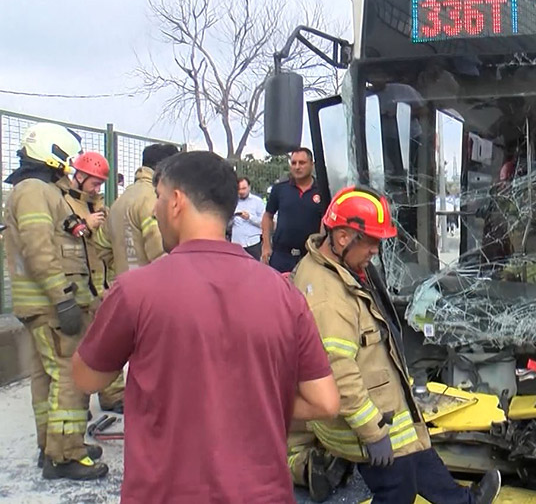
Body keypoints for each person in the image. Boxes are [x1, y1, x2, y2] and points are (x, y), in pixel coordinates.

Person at [72, 150, 340, 503]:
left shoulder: (136, 291)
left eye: (159, 198)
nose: (154, 210)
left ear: (176, 201)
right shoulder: (284, 294)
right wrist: (252, 400)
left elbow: (86, 379)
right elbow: (325, 402)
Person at [289, 185, 501, 504]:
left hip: (386, 405)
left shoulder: (339, 266)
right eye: (372, 241)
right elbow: (341, 377)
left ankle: (462, 502)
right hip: (368, 421)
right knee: (397, 489)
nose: (376, 249)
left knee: (418, 452)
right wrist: (374, 434)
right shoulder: (328, 300)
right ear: (344, 237)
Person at [2, 123, 108, 480]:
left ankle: (51, 447)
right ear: (54, 152)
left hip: (42, 305)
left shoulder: (37, 189)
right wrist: (62, 299)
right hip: (52, 305)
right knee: (67, 375)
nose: (69, 164)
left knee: (45, 378)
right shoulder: (33, 191)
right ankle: (66, 456)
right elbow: (39, 247)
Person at [62, 152, 126, 415]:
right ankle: (79, 403)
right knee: (78, 348)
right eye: (94, 183)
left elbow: (107, 246)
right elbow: (60, 241)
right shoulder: (64, 203)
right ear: (78, 176)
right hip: (76, 286)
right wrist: (85, 225)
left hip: (101, 286)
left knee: (107, 343)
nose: (97, 188)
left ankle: (113, 395)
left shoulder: (101, 207)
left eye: (100, 184)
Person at [106, 143, 180, 281]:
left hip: (123, 286)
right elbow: (161, 254)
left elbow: (102, 247)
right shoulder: (155, 198)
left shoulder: (120, 200)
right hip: (151, 290)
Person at [262, 148, 327, 273]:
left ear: (311, 164)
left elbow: (325, 221)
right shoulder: (280, 189)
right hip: (281, 257)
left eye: (302, 163)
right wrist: (266, 246)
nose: (297, 167)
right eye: (293, 163)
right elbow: (267, 216)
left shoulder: (322, 191)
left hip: (309, 256)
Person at [230, 176, 266, 259]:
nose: (242, 192)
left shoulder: (257, 202)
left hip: (253, 243)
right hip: (237, 243)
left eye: (244, 188)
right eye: (239, 189)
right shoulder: (233, 202)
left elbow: (264, 223)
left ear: (249, 187)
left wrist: (250, 217)